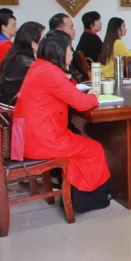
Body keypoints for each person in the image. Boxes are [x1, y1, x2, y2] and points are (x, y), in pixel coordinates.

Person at [12, 31, 111, 213]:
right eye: (69, 49)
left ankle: (77, 192)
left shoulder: (38, 66)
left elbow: (65, 91)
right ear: (59, 51)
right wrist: (93, 96)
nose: (72, 53)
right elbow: (82, 104)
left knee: (78, 138)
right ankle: (87, 200)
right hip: (39, 140)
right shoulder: (51, 72)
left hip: (24, 137)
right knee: (93, 148)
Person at [0, 22, 45, 106]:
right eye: (43, 40)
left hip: (2, 103)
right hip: (12, 108)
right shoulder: (28, 64)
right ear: (33, 44)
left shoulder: (14, 55)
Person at [49, 13, 87, 83]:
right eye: (71, 27)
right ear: (59, 30)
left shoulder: (69, 48)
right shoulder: (55, 52)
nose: (74, 30)